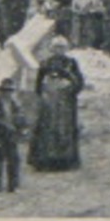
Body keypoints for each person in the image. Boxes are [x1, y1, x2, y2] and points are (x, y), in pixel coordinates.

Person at [28, 37, 84, 171]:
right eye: (57, 47)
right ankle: (45, 161)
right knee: (47, 129)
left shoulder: (71, 63)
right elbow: (38, 84)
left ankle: (65, 161)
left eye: (62, 47)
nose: (59, 50)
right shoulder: (46, 63)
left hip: (66, 103)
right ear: (52, 49)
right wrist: (44, 96)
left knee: (65, 130)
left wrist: (70, 87)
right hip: (49, 103)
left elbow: (79, 82)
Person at [0, 78, 27, 194]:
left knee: (14, 160)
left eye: (10, 91)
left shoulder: (14, 104)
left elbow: (21, 119)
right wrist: (5, 125)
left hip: (11, 136)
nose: (7, 93)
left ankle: (13, 186)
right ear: (1, 91)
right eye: (5, 91)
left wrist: (22, 128)